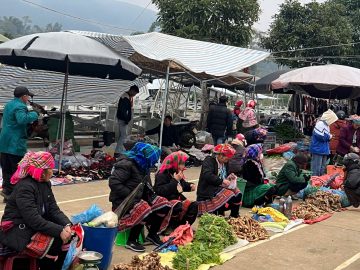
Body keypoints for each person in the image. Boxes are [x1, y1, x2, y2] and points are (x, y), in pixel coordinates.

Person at [0, 152, 72, 269]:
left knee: (70, 236)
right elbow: (33, 219)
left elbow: (54, 209)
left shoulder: (45, 184)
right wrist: (59, 230)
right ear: (42, 171)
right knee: (55, 241)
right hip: (17, 229)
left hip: (32, 225)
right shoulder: (25, 187)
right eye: (50, 168)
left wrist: (67, 224)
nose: (52, 171)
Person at [109, 142, 171, 252]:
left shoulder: (144, 166)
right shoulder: (126, 164)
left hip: (138, 198)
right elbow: (114, 182)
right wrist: (131, 195)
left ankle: (152, 234)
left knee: (164, 204)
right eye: (153, 159)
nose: (154, 163)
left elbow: (147, 186)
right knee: (145, 209)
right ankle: (131, 240)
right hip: (123, 201)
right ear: (145, 156)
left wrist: (151, 196)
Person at [0, 86, 39, 200]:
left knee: (6, 168)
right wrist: (35, 114)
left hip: (4, 142)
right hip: (15, 143)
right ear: (23, 96)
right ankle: (16, 195)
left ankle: (7, 191)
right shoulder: (20, 106)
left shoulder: (8, 104)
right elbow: (22, 119)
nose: (28, 98)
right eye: (28, 96)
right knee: (17, 170)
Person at [154, 151, 198, 228]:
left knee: (194, 205)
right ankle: (170, 226)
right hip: (165, 200)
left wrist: (190, 186)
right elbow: (160, 191)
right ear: (175, 163)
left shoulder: (176, 172)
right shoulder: (162, 174)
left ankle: (183, 227)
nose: (183, 166)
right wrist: (175, 180)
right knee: (177, 206)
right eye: (181, 164)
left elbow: (182, 185)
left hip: (176, 198)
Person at [197, 144, 242, 217]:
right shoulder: (209, 160)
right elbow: (207, 175)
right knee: (230, 195)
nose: (227, 161)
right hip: (209, 189)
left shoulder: (225, 163)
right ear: (221, 155)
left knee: (238, 194)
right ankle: (219, 210)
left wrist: (229, 177)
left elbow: (224, 175)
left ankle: (234, 215)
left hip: (220, 186)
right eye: (227, 158)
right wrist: (222, 181)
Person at [310, 109, 338, 176]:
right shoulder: (320, 124)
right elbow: (321, 136)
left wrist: (330, 136)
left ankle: (320, 180)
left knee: (322, 167)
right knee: (316, 168)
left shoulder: (326, 125)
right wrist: (330, 137)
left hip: (323, 149)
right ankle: (315, 181)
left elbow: (325, 136)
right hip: (318, 149)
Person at [114, 85, 139, 156]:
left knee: (123, 135)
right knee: (123, 135)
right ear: (132, 90)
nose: (134, 95)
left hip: (122, 118)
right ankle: (118, 151)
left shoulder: (126, 97)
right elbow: (123, 110)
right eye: (135, 93)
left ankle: (120, 150)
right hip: (122, 119)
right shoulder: (125, 97)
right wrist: (126, 119)